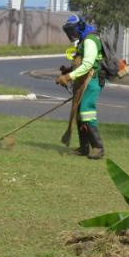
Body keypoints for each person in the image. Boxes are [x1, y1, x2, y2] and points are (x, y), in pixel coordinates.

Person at [56, 15, 105, 159]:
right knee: (78, 113)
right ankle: (84, 148)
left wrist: (68, 77)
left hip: (92, 80)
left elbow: (88, 65)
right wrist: (69, 71)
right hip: (84, 80)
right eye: (68, 31)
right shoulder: (83, 40)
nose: (70, 34)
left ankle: (98, 148)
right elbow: (81, 62)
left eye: (72, 30)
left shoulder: (90, 40)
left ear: (80, 27)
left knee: (86, 112)